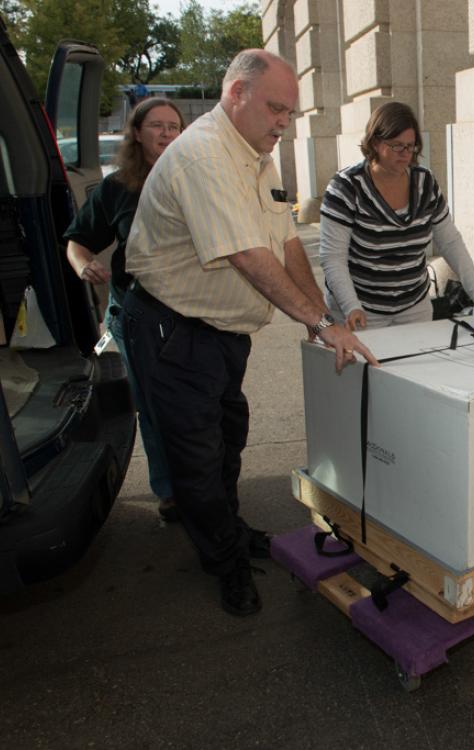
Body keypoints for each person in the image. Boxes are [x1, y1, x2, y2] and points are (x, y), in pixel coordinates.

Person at [121, 49, 378, 617]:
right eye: (276, 109)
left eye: (289, 112)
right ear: (236, 93)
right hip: (173, 331)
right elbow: (246, 256)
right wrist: (316, 322)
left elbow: (286, 245)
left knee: (226, 443)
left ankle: (228, 532)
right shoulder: (204, 156)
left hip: (220, 335)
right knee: (196, 459)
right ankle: (225, 563)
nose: (284, 123)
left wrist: (326, 320)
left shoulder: (257, 157)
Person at [64, 97, 185, 522]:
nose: (167, 134)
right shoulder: (117, 188)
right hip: (136, 310)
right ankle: (170, 491)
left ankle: (208, 485)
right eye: (157, 126)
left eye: (174, 126)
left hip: (190, 309)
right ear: (136, 132)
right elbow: (77, 241)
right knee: (152, 405)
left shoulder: (197, 179)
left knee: (195, 403)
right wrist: (84, 265)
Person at [319, 101, 474, 330]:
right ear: (374, 142)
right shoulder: (345, 188)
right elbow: (333, 257)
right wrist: (351, 305)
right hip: (360, 310)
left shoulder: (425, 182)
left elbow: (450, 241)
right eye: (396, 146)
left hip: (414, 306)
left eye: (410, 147)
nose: (405, 154)